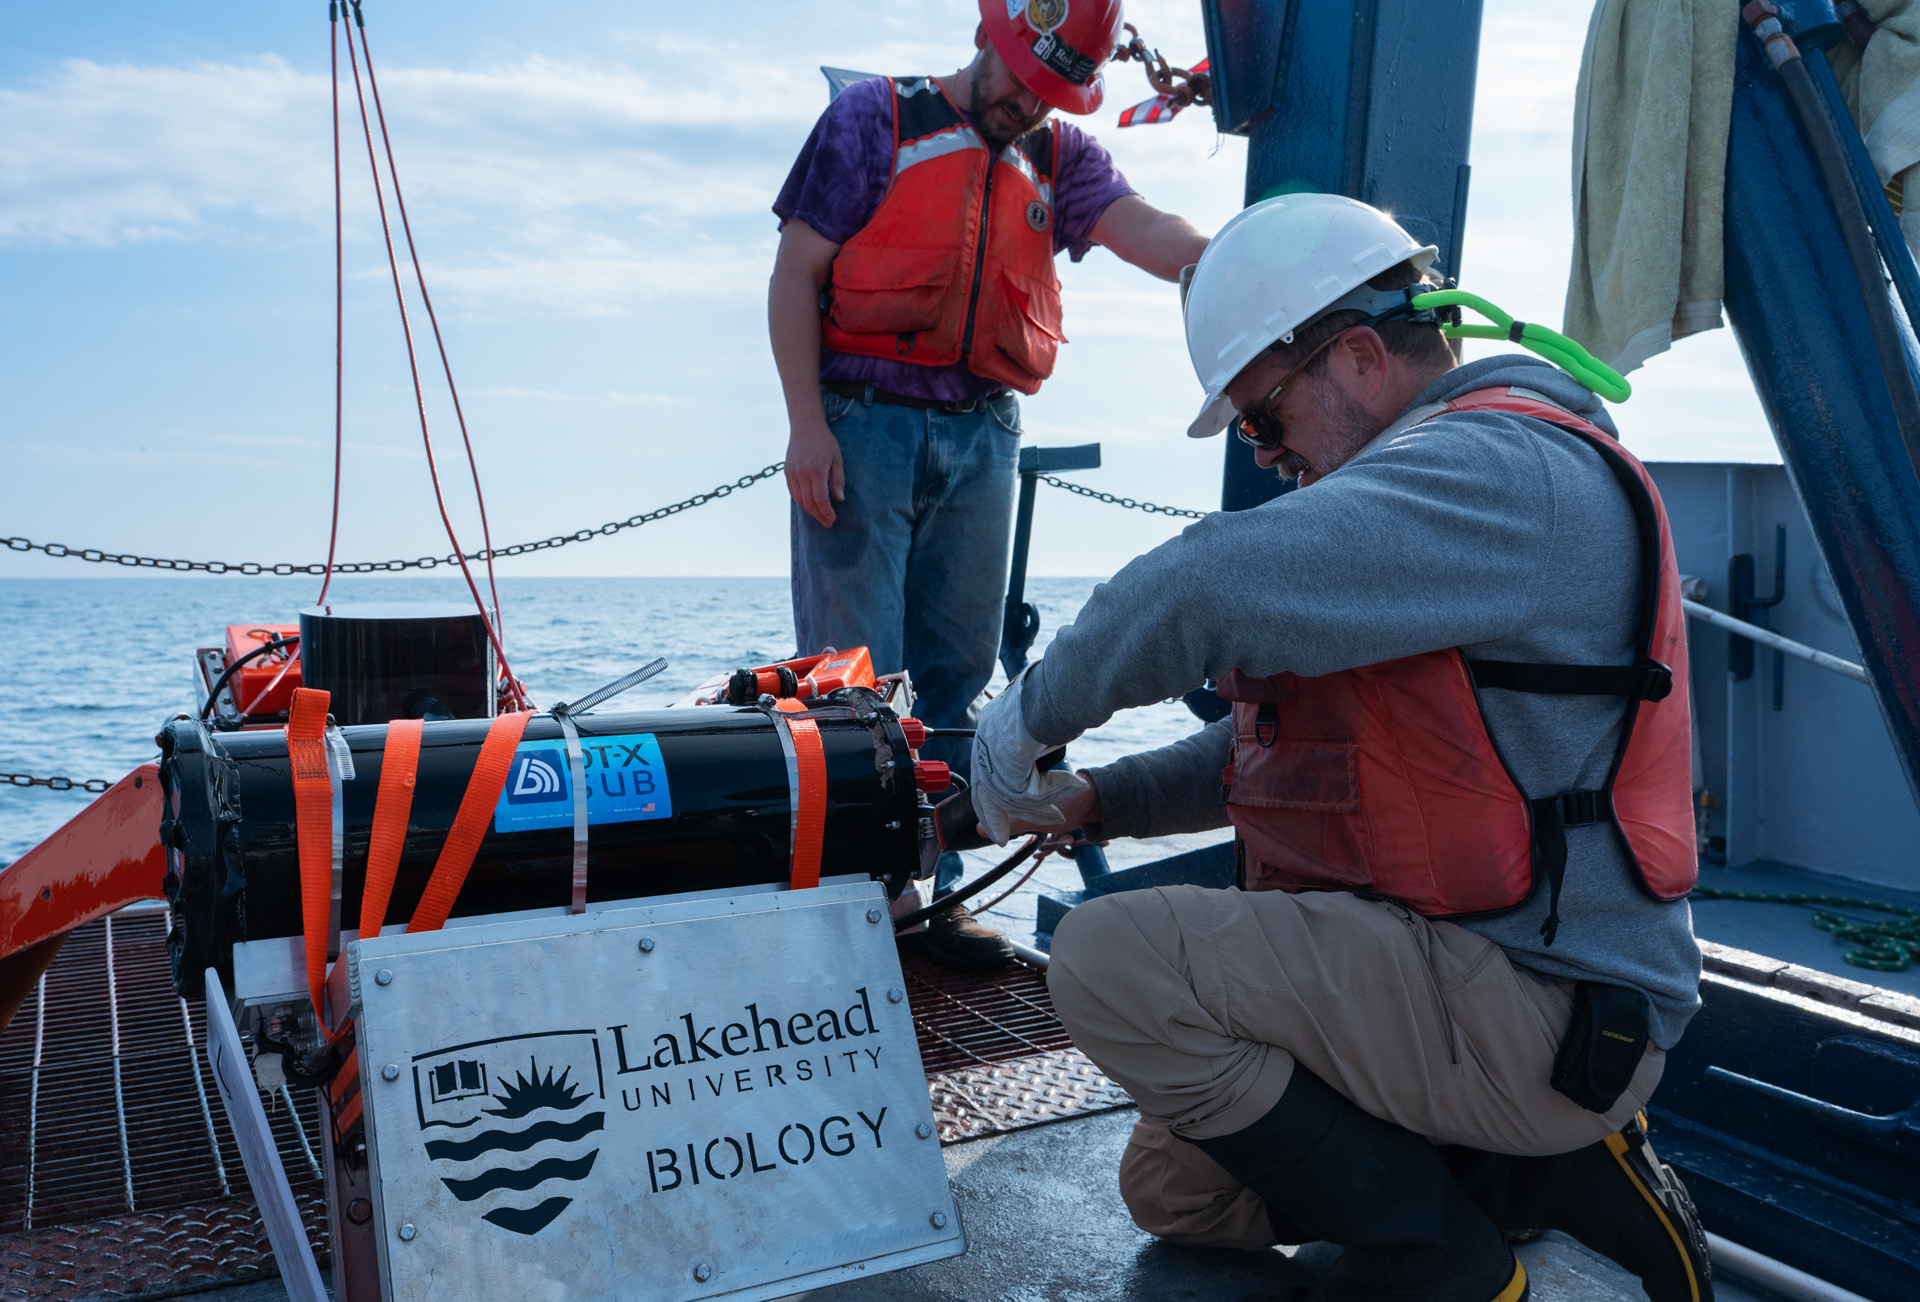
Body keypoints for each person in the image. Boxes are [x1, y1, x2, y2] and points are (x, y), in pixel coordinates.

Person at [966, 194, 1715, 1302]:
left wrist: (1022, 721)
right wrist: (1097, 800)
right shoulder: (1425, 512)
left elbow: (1201, 582)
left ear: (1360, 358)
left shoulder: (1500, 473)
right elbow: (1295, 757)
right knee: (1180, 1195)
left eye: (1265, 418)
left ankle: (1446, 1261)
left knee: (1108, 960)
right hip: (1440, 962)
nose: (1267, 456)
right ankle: (1519, 1180)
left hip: (1542, 1000)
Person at [768, 0, 1210, 969]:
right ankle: (859, 908)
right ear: (985, 41)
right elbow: (796, 270)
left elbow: (1143, 230)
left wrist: (1231, 261)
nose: (1024, 103)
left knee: (959, 679)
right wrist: (807, 426)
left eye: (1049, 92)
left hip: (985, 436)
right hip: (861, 426)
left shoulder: (1061, 159)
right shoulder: (873, 120)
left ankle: (934, 902)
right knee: (852, 682)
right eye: (1018, 79)